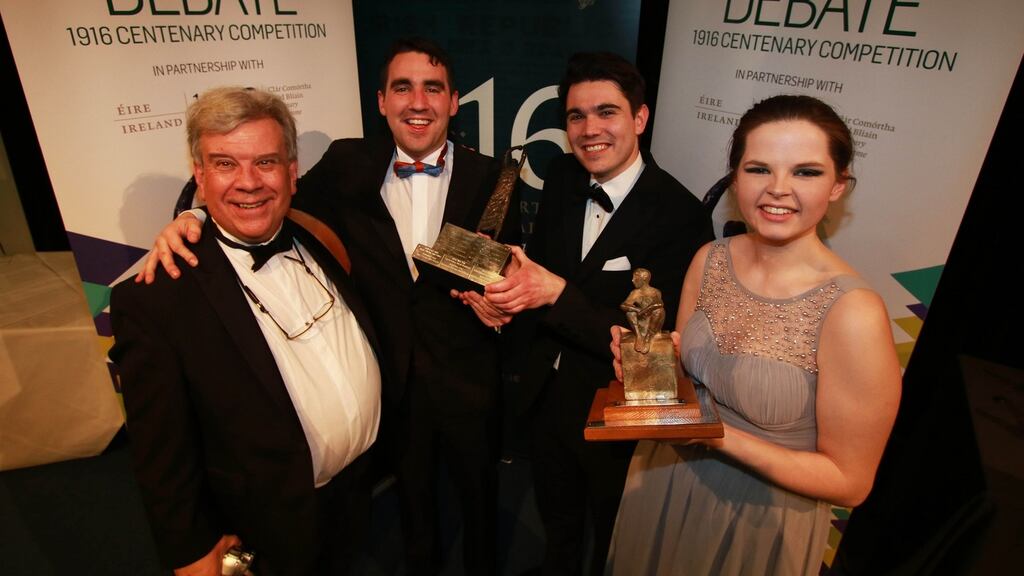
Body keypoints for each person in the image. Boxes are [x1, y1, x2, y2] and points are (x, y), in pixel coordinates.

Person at [138, 38, 516, 575]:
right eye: (402, 87)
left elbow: (509, 267)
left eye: (433, 88)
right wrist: (193, 219)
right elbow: (262, 199)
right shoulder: (346, 162)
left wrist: (503, 306)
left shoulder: (494, 176)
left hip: (468, 381)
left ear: (455, 102)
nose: (417, 101)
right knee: (412, 510)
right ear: (381, 101)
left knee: (480, 504)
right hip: (392, 381)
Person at [605, 95, 902, 575]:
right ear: (735, 177)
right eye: (759, 169)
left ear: (838, 186)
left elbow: (850, 481)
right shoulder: (710, 259)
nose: (778, 190)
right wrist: (649, 372)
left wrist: (713, 437)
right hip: (661, 481)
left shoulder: (853, 312)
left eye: (806, 172)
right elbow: (685, 383)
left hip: (759, 522)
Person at [456, 52, 713, 575]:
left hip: (613, 412)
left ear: (639, 119)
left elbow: (655, 348)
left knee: (615, 538)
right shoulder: (563, 175)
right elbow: (542, 274)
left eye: (607, 112)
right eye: (576, 116)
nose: (590, 129)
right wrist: (506, 304)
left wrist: (552, 292)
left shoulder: (682, 216)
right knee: (558, 524)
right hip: (544, 395)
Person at [110, 87, 382, 576]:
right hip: (269, 527)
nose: (249, 183)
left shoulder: (314, 236)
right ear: (200, 173)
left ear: (292, 172)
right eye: (225, 164)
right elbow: (161, 456)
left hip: (356, 494)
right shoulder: (155, 300)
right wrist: (191, 552)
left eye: (266, 162)